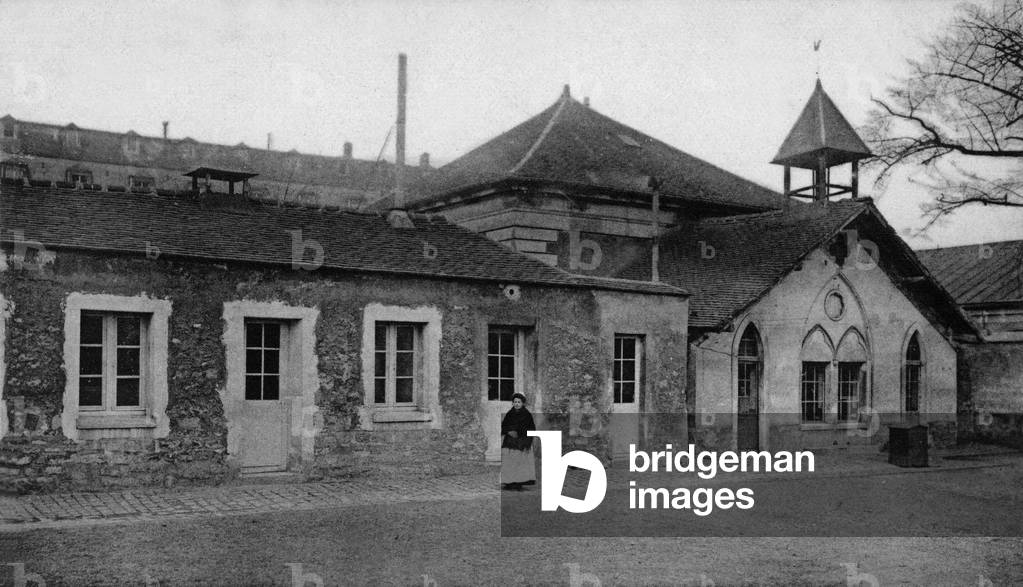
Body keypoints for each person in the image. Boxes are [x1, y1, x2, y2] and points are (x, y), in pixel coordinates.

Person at [501, 392, 536, 490]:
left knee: (520, 463)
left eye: (519, 402)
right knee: (509, 462)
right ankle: (509, 483)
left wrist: (519, 433)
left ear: (522, 403)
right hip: (510, 442)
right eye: (515, 402)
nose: (516, 404)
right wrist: (508, 431)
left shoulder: (527, 415)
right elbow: (504, 425)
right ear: (512, 403)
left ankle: (518, 483)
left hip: (522, 441)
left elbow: (531, 428)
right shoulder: (509, 414)